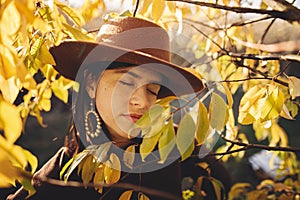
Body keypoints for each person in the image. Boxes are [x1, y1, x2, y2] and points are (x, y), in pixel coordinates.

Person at [7, 16, 231, 200]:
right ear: (92, 83)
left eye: (152, 90)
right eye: (126, 82)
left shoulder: (177, 144)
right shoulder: (65, 171)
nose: (142, 102)